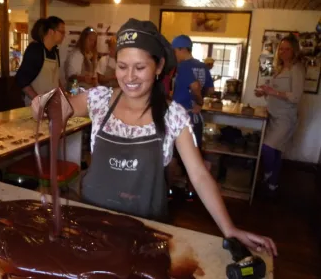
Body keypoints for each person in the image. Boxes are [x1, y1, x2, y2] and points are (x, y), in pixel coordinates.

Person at [33, 18, 277, 257]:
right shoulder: (98, 100)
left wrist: (229, 228)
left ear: (158, 67)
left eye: (140, 67)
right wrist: (43, 104)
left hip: (146, 234)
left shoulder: (172, 115)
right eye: (122, 66)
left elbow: (199, 174)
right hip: (93, 225)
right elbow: (58, 109)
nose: (129, 77)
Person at [255, 34, 305, 194]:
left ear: (294, 51)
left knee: (268, 148)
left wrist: (273, 91)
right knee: (276, 151)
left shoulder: (297, 69)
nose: (283, 52)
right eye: (281, 49)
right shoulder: (280, 68)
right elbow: (275, 92)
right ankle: (273, 183)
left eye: (287, 49)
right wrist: (264, 92)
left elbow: (295, 97)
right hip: (273, 115)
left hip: (286, 118)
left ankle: (269, 173)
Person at [171, 35, 214, 150]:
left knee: (180, 156)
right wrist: (199, 99)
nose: (174, 55)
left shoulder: (183, 66)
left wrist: (199, 102)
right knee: (195, 152)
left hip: (183, 117)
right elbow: (210, 89)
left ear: (182, 49)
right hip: (196, 118)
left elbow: (195, 86)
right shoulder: (203, 66)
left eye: (174, 51)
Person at [16, 16, 65, 106]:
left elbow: (55, 79)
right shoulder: (35, 50)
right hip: (35, 107)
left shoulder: (54, 52)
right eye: (61, 32)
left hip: (52, 105)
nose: (64, 35)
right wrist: (38, 101)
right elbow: (22, 80)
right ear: (51, 32)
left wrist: (64, 97)